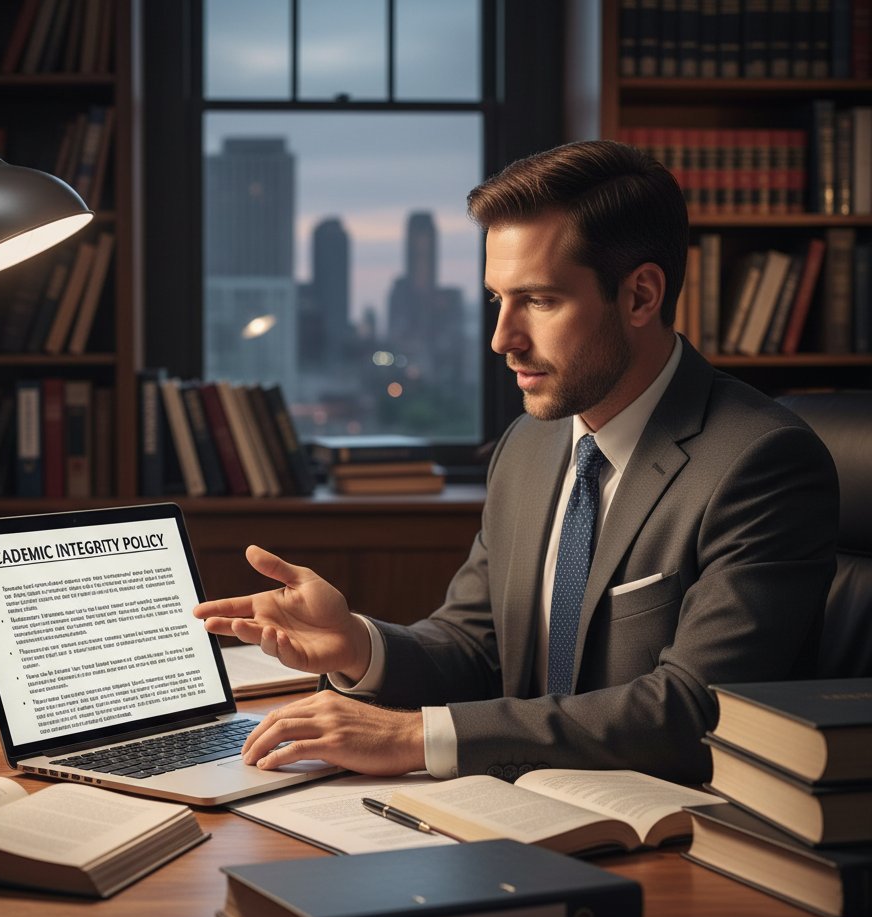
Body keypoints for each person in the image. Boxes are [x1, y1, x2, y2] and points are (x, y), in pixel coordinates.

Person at [194, 139, 839, 785]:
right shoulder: (531, 445)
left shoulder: (761, 462)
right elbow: (477, 647)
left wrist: (418, 736)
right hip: (517, 803)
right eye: (498, 299)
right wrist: (358, 646)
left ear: (641, 296)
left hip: (670, 834)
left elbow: (694, 710)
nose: (504, 338)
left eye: (540, 300)